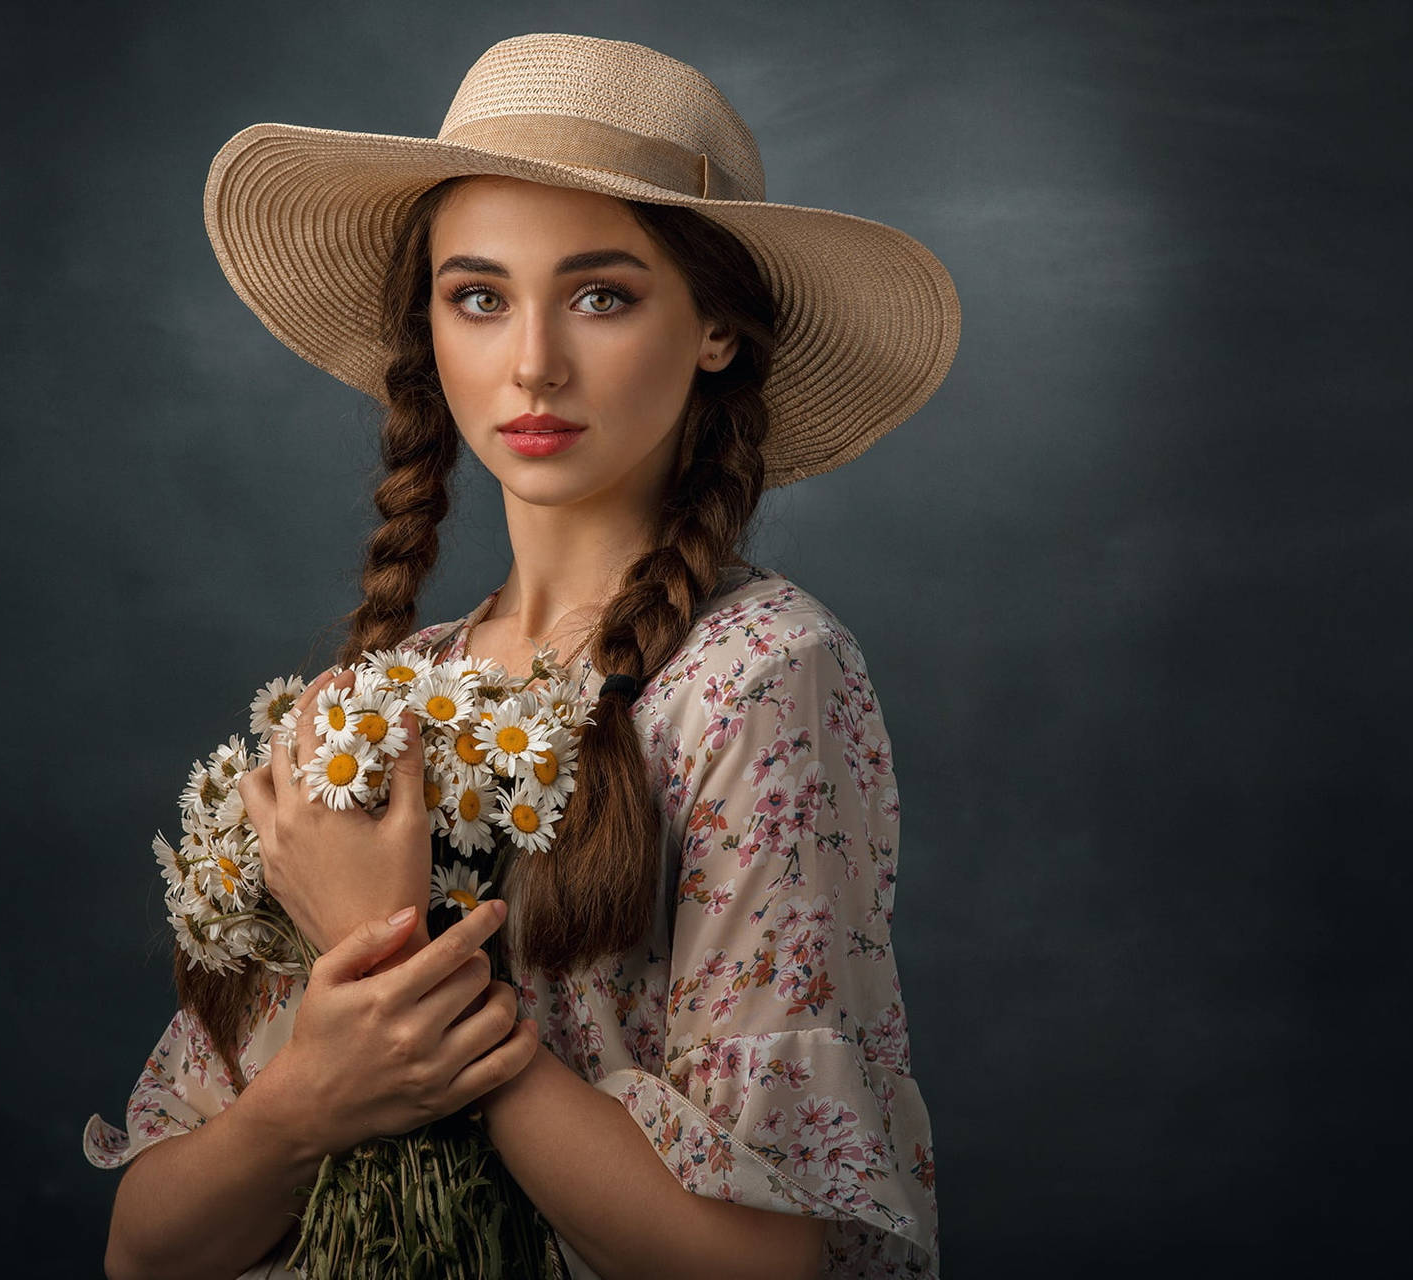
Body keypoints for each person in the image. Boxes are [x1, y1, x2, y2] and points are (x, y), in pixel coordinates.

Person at [83, 31, 958, 1280]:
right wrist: (311, 1097)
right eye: (479, 295)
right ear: (429, 331)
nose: (532, 361)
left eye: (602, 294)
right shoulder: (387, 696)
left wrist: (401, 957)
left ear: (714, 327)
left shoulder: (759, 676)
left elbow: (759, 1265)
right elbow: (145, 1249)